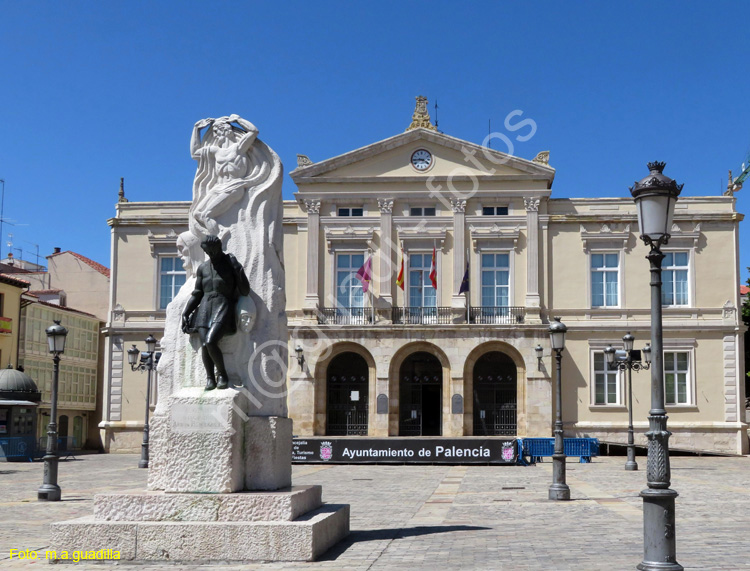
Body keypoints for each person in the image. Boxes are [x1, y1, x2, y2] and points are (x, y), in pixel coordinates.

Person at [181, 236, 250, 390]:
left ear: (218, 248)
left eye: (211, 251)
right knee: (205, 344)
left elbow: (245, 290)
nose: (209, 254)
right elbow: (197, 293)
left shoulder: (230, 264)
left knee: (211, 341)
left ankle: (222, 374)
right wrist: (186, 313)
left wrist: (237, 268)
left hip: (223, 304)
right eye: (207, 251)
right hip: (205, 306)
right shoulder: (203, 268)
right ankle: (210, 378)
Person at [189, 115, 268, 238]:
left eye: (217, 131)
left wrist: (238, 120)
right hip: (218, 188)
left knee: (206, 215)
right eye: (214, 132)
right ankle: (217, 232)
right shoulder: (215, 151)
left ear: (227, 130)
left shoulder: (239, 148)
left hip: (233, 186)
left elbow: (254, 131)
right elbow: (194, 153)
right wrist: (196, 129)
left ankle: (220, 237)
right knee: (197, 214)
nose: (215, 135)